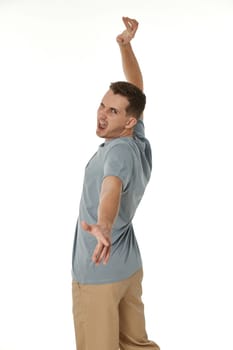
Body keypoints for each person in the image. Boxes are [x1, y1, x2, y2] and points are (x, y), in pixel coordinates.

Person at [72, 16, 160, 350]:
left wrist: (104, 226)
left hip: (98, 272)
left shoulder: (118, 153)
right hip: (127, 269)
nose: (102, 115)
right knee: (137, 345)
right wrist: (126, 45)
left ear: (128, 121)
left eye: (112, 111)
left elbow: (111, 187)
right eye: (102, 105)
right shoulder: (134, 136)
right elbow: (136, 90)